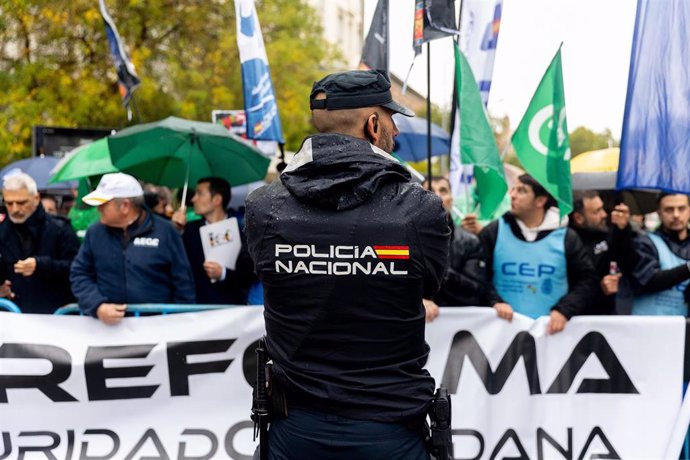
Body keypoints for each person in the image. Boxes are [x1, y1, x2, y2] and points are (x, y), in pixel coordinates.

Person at [245, 69, 450, 459]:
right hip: (388, 431)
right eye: (391, 119)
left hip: (296, 433)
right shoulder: (418, 210)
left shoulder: (263, 208)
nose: (396, 131)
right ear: (373, 125)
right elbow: (430, 283)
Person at [70, 173, 195, 324]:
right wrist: (97, 305)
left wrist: (181, 324)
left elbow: (183, 281)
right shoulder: (95, 233)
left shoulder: (165, 231)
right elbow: (79, 273)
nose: (98, 209)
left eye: (103, 204)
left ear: (125, 206)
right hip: (106, 331)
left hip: (158, 328)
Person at [479, 174, 597, 333]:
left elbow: (587, 279)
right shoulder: (494, 231)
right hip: (502, 335)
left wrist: (564, 310)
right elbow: (479, 275)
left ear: (540, 200)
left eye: (521, 191)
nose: (512, 195)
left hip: (550, 335)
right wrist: (494, 301)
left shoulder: (567, 237)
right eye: (513, 189)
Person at [0, 173, 80, 314]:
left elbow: (77, 268)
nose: (15, 209)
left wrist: (42, 265)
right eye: (9, 203)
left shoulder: (60, 229)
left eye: (21, 202)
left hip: (54, 315)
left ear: (36, 198)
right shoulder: (2, 231)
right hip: (11, 318)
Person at [176, 177, 256, 304]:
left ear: (217, 199)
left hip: (231, 309)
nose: (193, 199)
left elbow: (249, 274)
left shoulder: (242, 232)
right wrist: (175, 230)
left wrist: (223, 273)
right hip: (195, 310)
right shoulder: (188, 231)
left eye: (200, 194)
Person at [422, 176, 487, 322]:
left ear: (452, 198)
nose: (437, 195)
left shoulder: (469, 242)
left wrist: (440, 271)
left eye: (443, 190)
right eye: (430, 190)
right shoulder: (405, 238)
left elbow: (476, 292)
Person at [569, 190, 638, 314]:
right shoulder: (566, 242)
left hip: (606, 316)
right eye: (596, 211)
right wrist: (599, 289)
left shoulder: (606, 233)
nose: (604, 214)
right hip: (573, 320)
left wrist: (623, 230)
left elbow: (630, 264)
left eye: (602, 208)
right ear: (579, 218)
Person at [630, 193, 690, 316]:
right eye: (669, 210)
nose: (676, 215)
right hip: (647, 327)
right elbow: (648, 280)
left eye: (681, 208)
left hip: (681, 329)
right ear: (659, 213)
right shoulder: (644, 242)